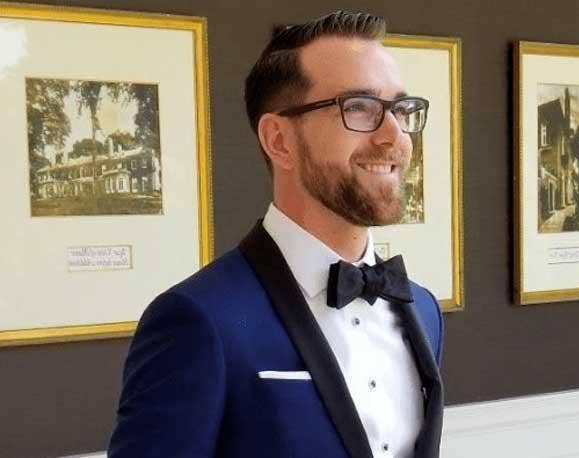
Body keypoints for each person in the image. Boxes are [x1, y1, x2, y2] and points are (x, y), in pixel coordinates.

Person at [108, 11, 444, 458]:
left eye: (400, 109)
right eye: (359, 107)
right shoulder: (199, 320)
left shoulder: (422, 309)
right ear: (279, 141)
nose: (394, 135)